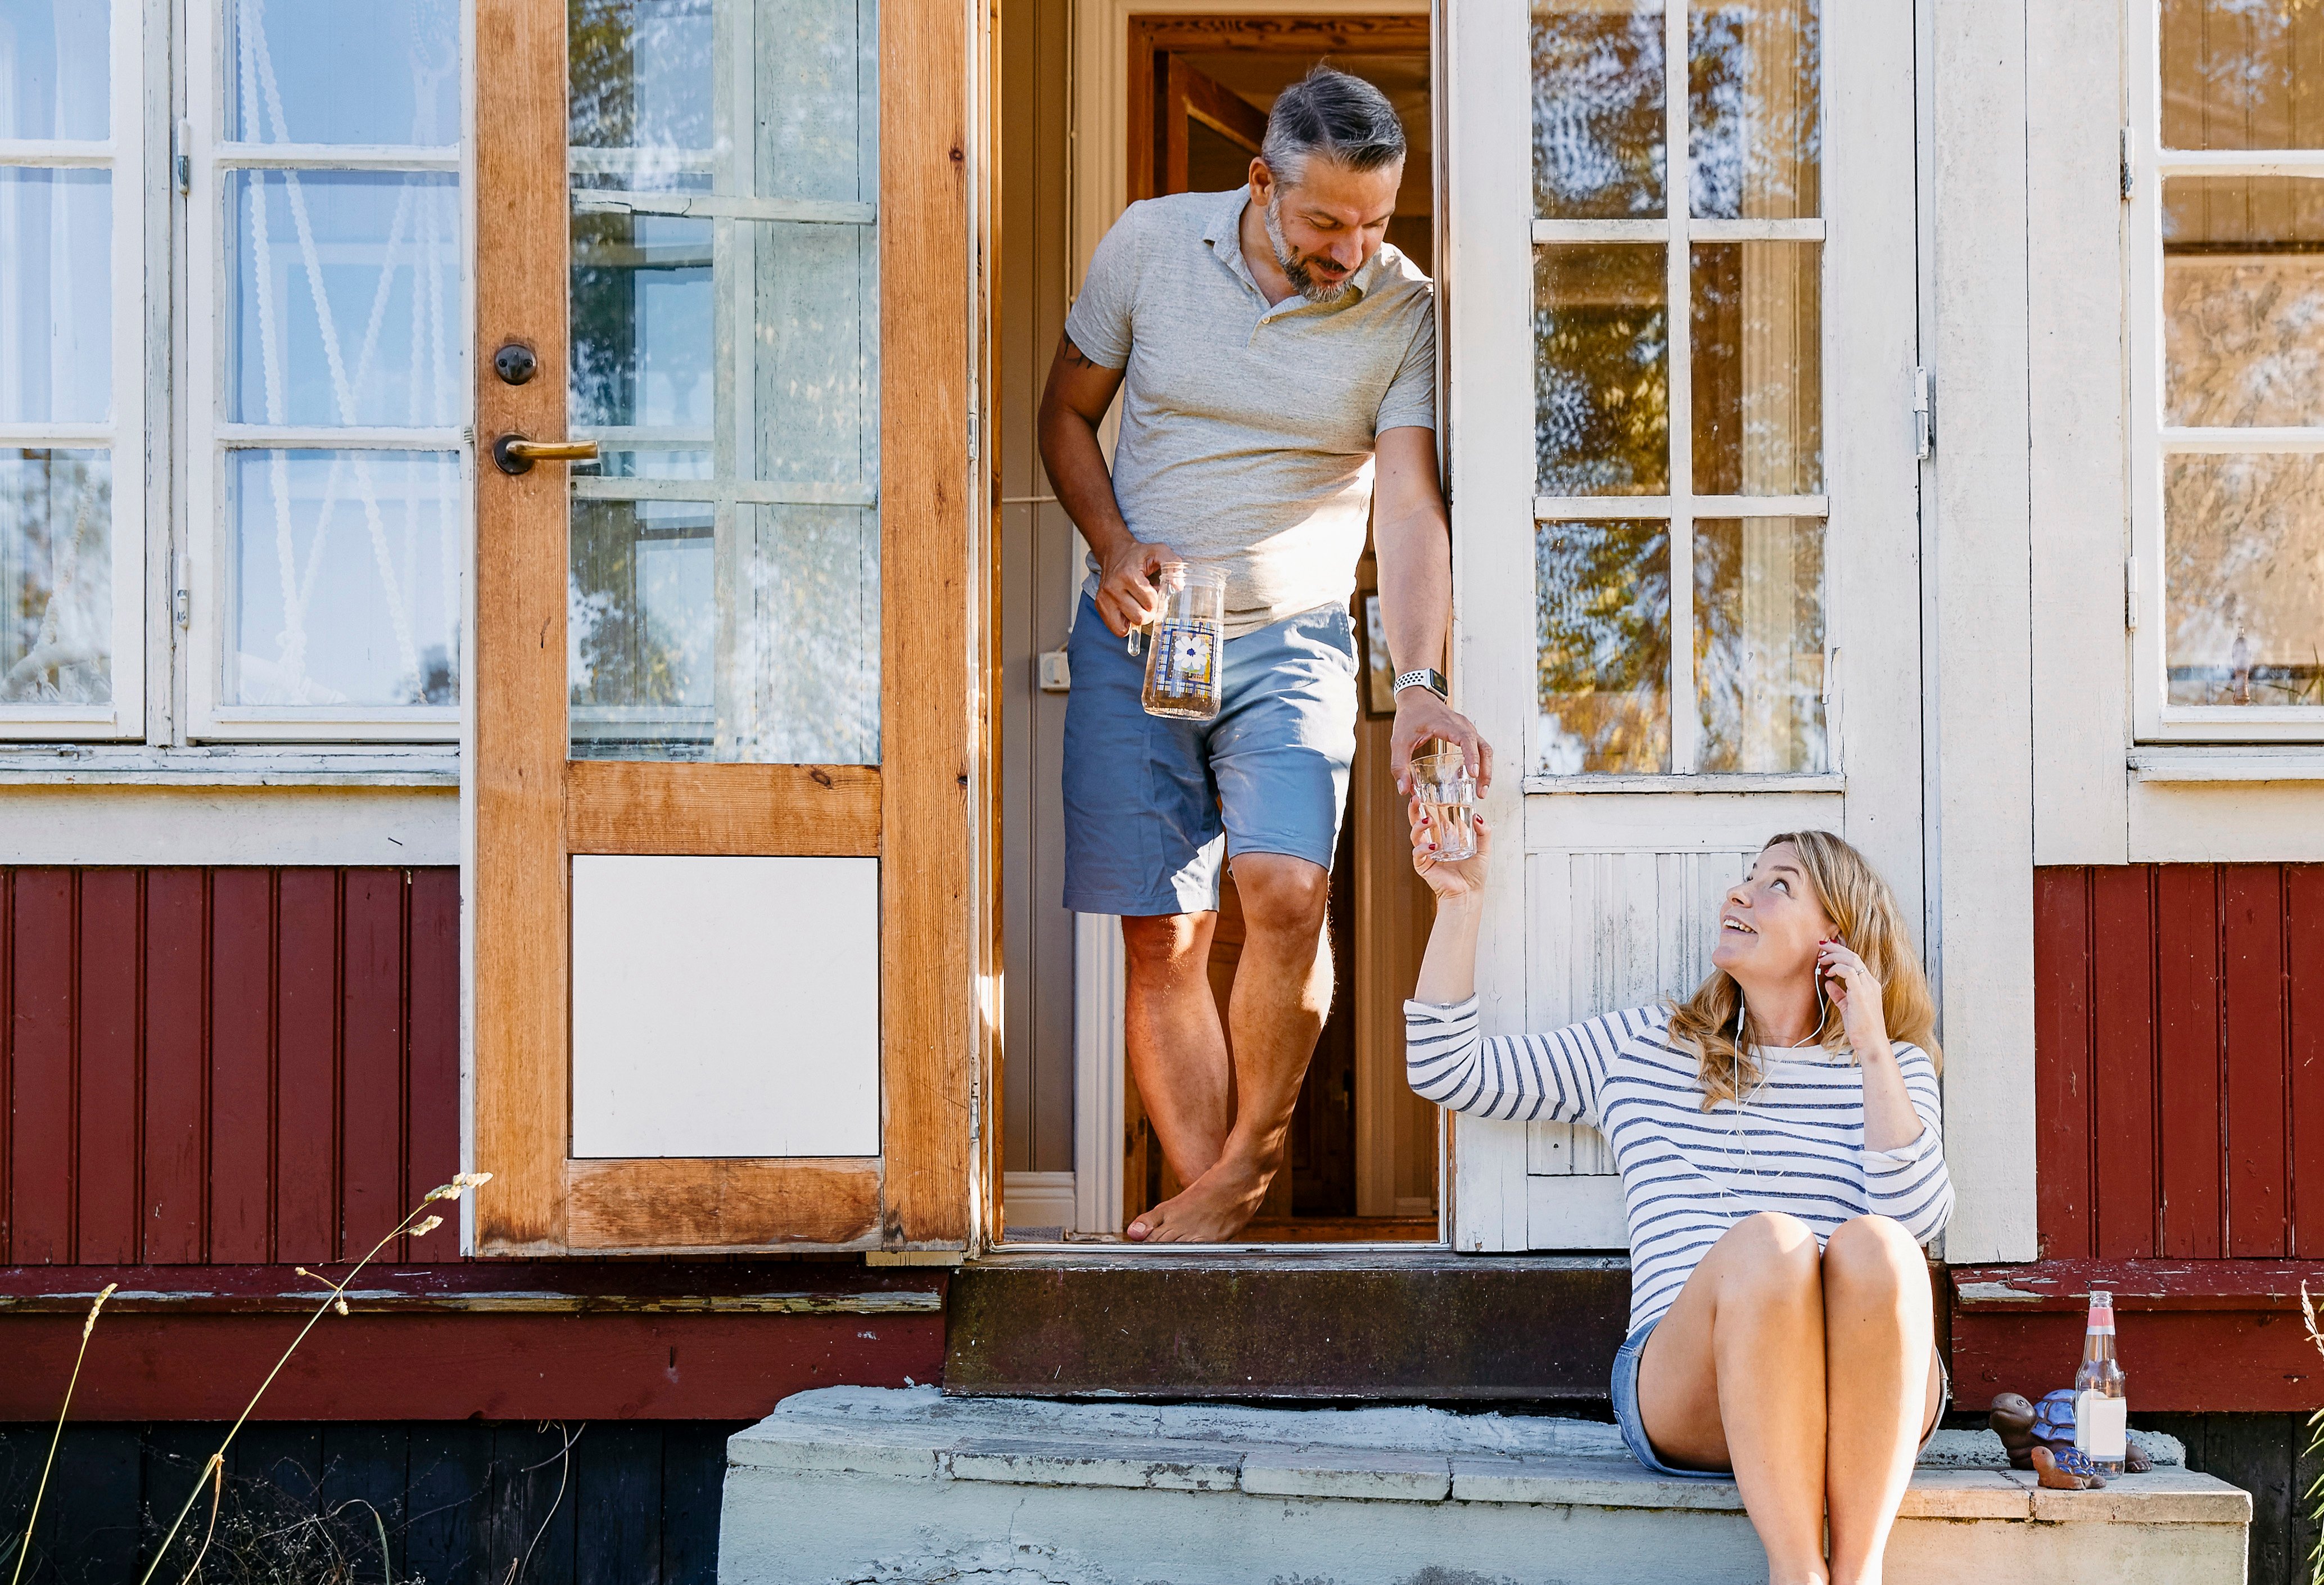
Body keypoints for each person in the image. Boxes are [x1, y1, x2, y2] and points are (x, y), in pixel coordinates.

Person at [1041, 65, 1489, 1243]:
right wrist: (1110, 544)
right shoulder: (1148, 245)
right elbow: (1064, 415)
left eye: (1378, 221)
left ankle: (1245, 1170)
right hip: (1149, 635)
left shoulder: (1401, 309)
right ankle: (1214, 1213)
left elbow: (1406, 506)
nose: (1355, 249)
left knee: (1285, 892)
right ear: (1260, 184)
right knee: (1165, 928)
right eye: (1327, 222)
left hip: (1294, 636)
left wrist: (1424, 683)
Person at [1404, 818, 1952, 1585]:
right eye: (1746, 875)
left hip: (1856, 1396)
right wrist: (1458, 905)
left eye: (1776, 885)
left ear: (1837, 936)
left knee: (1882, 1246)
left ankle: (1858, 1574)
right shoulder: (1643, 1046)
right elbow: (1446, 1069)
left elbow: (1916, 1222)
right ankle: (1795, 1574)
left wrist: (1868, 1048)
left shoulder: (1887, 1066)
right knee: (1769, 1243)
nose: (1740, 892)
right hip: (1685, 1386)